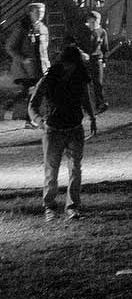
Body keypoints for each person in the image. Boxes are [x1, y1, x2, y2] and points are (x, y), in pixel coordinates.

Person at [33, 44, 97, 221]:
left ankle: (72, 207)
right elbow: (32, 105)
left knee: (75, 169)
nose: (71, 68)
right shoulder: (49, 79)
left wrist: (92, 118)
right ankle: (50, 207)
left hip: (74, 128)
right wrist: (40, 122)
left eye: (74, 64)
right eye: (69, 64)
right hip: (53, 130)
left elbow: (85, 98)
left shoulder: (79, 78)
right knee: (51, 171)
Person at [6, 2, 52, 126]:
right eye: (37, 12)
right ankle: (23, 115)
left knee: (38, 92)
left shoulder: (43, 28)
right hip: (25, 70)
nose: (40, 14)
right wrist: (22, 59)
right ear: (30, 12)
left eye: (42, 12)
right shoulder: (22, 28)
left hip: (41, 67)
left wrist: (47, 64)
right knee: (30, 93)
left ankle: (33, 118)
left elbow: (45, 48)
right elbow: (10, 47)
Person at [73, 9, 109, 114]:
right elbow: (76, 44)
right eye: (91, 22)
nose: (92, 24)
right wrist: (81, 53)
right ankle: (84, 104)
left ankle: (100, 103)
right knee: (84, 83)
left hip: (97, 59)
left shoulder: (102, 32)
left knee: (98, 82)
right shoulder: (83, 31)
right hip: (84, 60)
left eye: (95, 22)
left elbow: (105, 48)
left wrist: (104, 60)